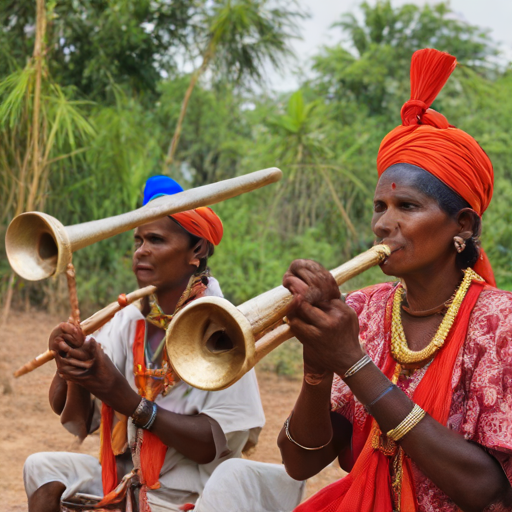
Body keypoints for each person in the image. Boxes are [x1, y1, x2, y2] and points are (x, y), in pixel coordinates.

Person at [277, 49, 512, 512]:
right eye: (379, 207)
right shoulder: (364, 308)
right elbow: (301, 464)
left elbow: (490, 495)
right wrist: (319, 367)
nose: (384, 224)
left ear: (462, 225)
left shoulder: (500, 322)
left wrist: (354, 362)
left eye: (406, 206)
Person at [23, 176, 265, 512]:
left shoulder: (222, 325)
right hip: (127, 482)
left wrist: (127, 400)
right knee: (41, 469)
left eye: (155, 240)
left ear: (197, 250)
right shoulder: (131, 318)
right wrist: (70, 367)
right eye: (138, 241)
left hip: (191, 495)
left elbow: (212, 443)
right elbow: (75, 417)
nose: (141, 252)